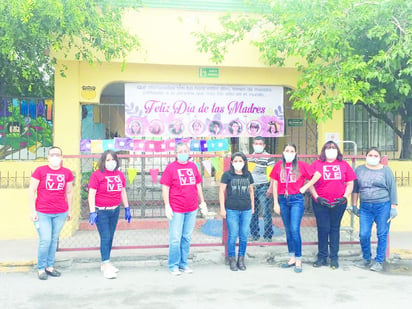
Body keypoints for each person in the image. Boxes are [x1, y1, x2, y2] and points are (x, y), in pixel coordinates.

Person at [270, 144, 321, 273]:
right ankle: (291, 257)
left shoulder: (301, 166)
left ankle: (299, 258)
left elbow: (317, 175)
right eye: (287, 150)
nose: (289, 153)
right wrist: (275, 203)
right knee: (287, 229)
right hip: (282, 200)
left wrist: (305, 187)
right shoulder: (278, 166)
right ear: (283, 152)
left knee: (294, 228)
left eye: (292, 151)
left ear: (295, 153)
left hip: (296, 200)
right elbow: (275, 183)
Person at [160, 142, 208, 275]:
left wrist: (202, 202)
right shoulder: (171, 168)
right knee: (175, 238)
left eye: (185, 151)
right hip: (176, 208)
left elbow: (198, 185)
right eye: (180, 151)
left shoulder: (193, 166)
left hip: (191, 208)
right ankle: (173, 265)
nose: (183, 153)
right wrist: (167, 205)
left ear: (189, 152)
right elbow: (165, 187)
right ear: (176, 154)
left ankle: (183, 263)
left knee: (186, 237)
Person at [309, 140, 357, 269]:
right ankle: (322, 256)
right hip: (320, 203)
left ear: (338, 150)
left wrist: (344, 197)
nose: (331, 149)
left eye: (333, 147)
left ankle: (334, 258)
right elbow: (310, 183)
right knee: (323, 229)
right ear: (324, 150)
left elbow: (350, 183)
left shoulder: (344, 165)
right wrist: (317, 197)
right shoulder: (316, 164)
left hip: (338, 203)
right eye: (328, 147)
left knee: (334, 229)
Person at [29, 146, 74, 280]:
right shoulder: (40, 171)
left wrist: (69, 210)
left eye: (58, 154)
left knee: (54, 240)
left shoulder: (67, 173)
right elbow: (32, 191)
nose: (55, 157)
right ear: (48, 157)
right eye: (52, 155)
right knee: (45, 240)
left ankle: (50, 266)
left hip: (60, 212)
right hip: (43, 212)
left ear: (61, 157)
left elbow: (69, 192)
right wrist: (32, 211)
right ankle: (41, 268)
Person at [351, 147, 398, 272]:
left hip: (383, 206)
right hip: (365, 207)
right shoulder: (359, 170)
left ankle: (379, 261)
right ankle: (366, 258)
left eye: (375, 155)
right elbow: (355, 189)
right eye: (370, 155)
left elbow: (392, 188)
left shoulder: (386, 170)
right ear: (366, 156)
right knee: (363, 234)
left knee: (382, 233)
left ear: (379, 157)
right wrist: (354, 205)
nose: (373, 157)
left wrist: (393, 207)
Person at [88, 149, 132, 279]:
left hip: (115, 210)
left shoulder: (119, 175)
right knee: (105, 237)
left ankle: (106, 262)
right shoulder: (97, 175)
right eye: (108, 160)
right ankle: (105, 264)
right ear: (103, 162)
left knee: (110, 237)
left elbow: (122, 191)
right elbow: (92, 194)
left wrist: (127, 208)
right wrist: (92, 212)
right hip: (101, 211)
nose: (111, 162)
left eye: (113, 159)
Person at [219, 152, 254, 271]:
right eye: (235, 161)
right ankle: (232, 259)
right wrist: (222, 208)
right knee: (233, 235)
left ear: (244, 162)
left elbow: (251, 191)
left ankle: (241, 258)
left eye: (240, 161)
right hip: (232, 210)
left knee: (244, 235)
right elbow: (221, 191)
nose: (238, 163)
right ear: (232, 162)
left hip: (246, 210)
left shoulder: (248, 175)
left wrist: (253, 207)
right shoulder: (227, 175)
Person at [249, 136, 275, 242]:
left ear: (264, 145)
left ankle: (268, 235)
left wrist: (270, 188)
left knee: (265, 212)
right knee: (252, 212)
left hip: (264, 187)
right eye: (256, 144)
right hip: (251, 188)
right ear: (253, 145)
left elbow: (272, 175)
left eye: (260, 144)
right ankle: (254, 234)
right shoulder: (249, 157)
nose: (258, 146)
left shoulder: (268, 157)